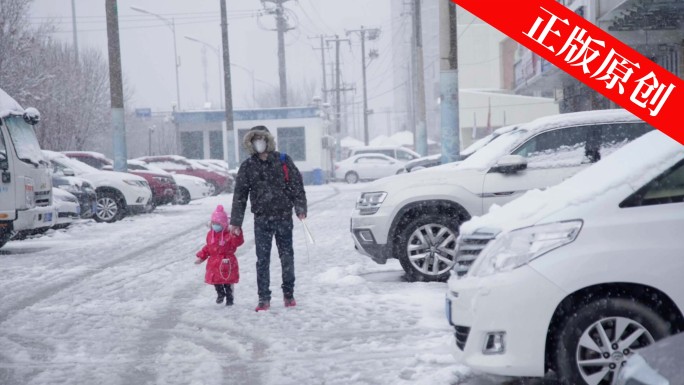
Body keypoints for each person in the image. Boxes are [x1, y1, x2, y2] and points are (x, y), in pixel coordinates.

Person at [229, 125, 307, 312]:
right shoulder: (248, 166)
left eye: (261, 139)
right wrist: (236, 222)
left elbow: (297, 185)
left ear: (268, 141)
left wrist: (300, 207)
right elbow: (240, 195)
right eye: (255, 140)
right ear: (250, 143)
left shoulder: (283, 161)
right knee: (262, 259)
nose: (259, 144)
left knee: (287, 256)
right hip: (262, 219)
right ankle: (263, 298)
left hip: (283, 217)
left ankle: (288, 294)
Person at [195, 205, 244, 306]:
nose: (215, 225)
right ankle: (220, 294)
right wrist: (201, 256)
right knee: (216, 280)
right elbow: (208, 247)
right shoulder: (210, 234)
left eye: (217, 224)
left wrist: (237, 234)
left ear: (223, 224)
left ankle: (229, 298)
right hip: (214, 262)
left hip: (227, 262)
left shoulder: (229, 234)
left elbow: (237, 242)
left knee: (227, 280)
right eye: (213, 223)